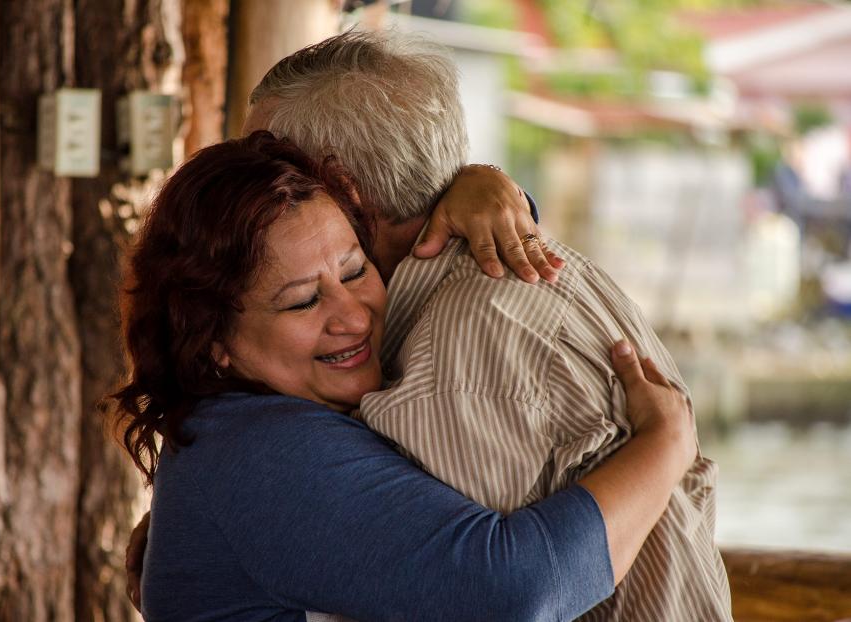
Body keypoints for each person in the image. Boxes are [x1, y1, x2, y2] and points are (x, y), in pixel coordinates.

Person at [244, 30, 731, 621]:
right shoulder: (506, 272)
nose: (248, 189)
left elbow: (484, 599)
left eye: (265, 168)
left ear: (343, 191)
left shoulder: (450, 362)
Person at [113, 130, 697, 621]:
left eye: (354, 269)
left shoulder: (240, 430)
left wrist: (487, 185)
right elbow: (517, 592)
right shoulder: (260, 453)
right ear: (214, 341)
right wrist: (665, 445)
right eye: (300, 303)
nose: (352, 315)